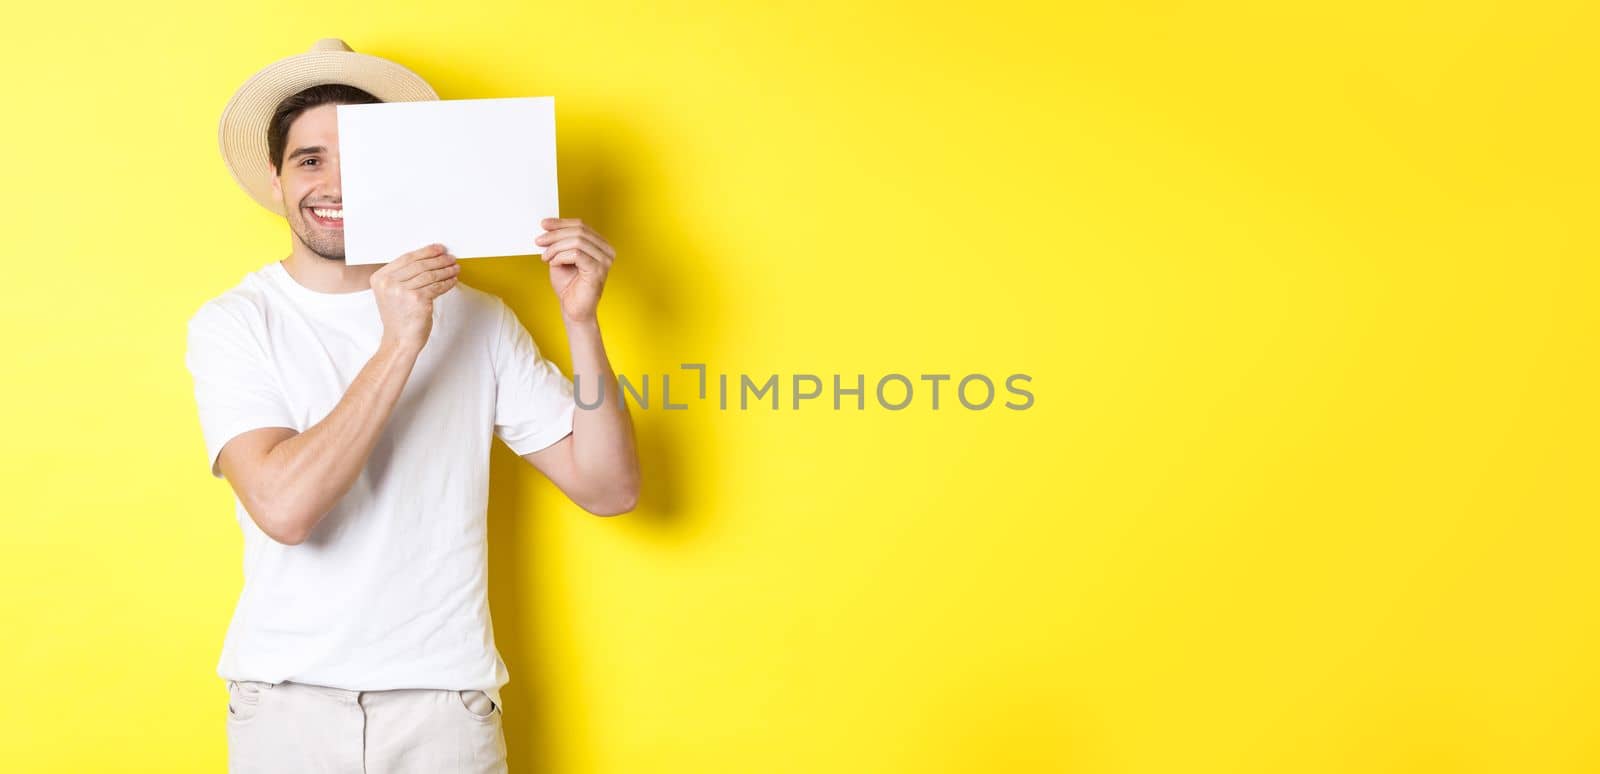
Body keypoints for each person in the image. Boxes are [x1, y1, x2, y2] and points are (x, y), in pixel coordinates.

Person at [186, 38, 640, 773]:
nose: (334, 184)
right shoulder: (235, 322)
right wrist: (399, 340)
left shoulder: (481, 318)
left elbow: (611, 487)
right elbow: (286, 509)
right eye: (310, 159)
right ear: (275, 179)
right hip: (287, 705)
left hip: (446, 707)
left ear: (402, 174)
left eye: (359, 159)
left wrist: (582, 322)